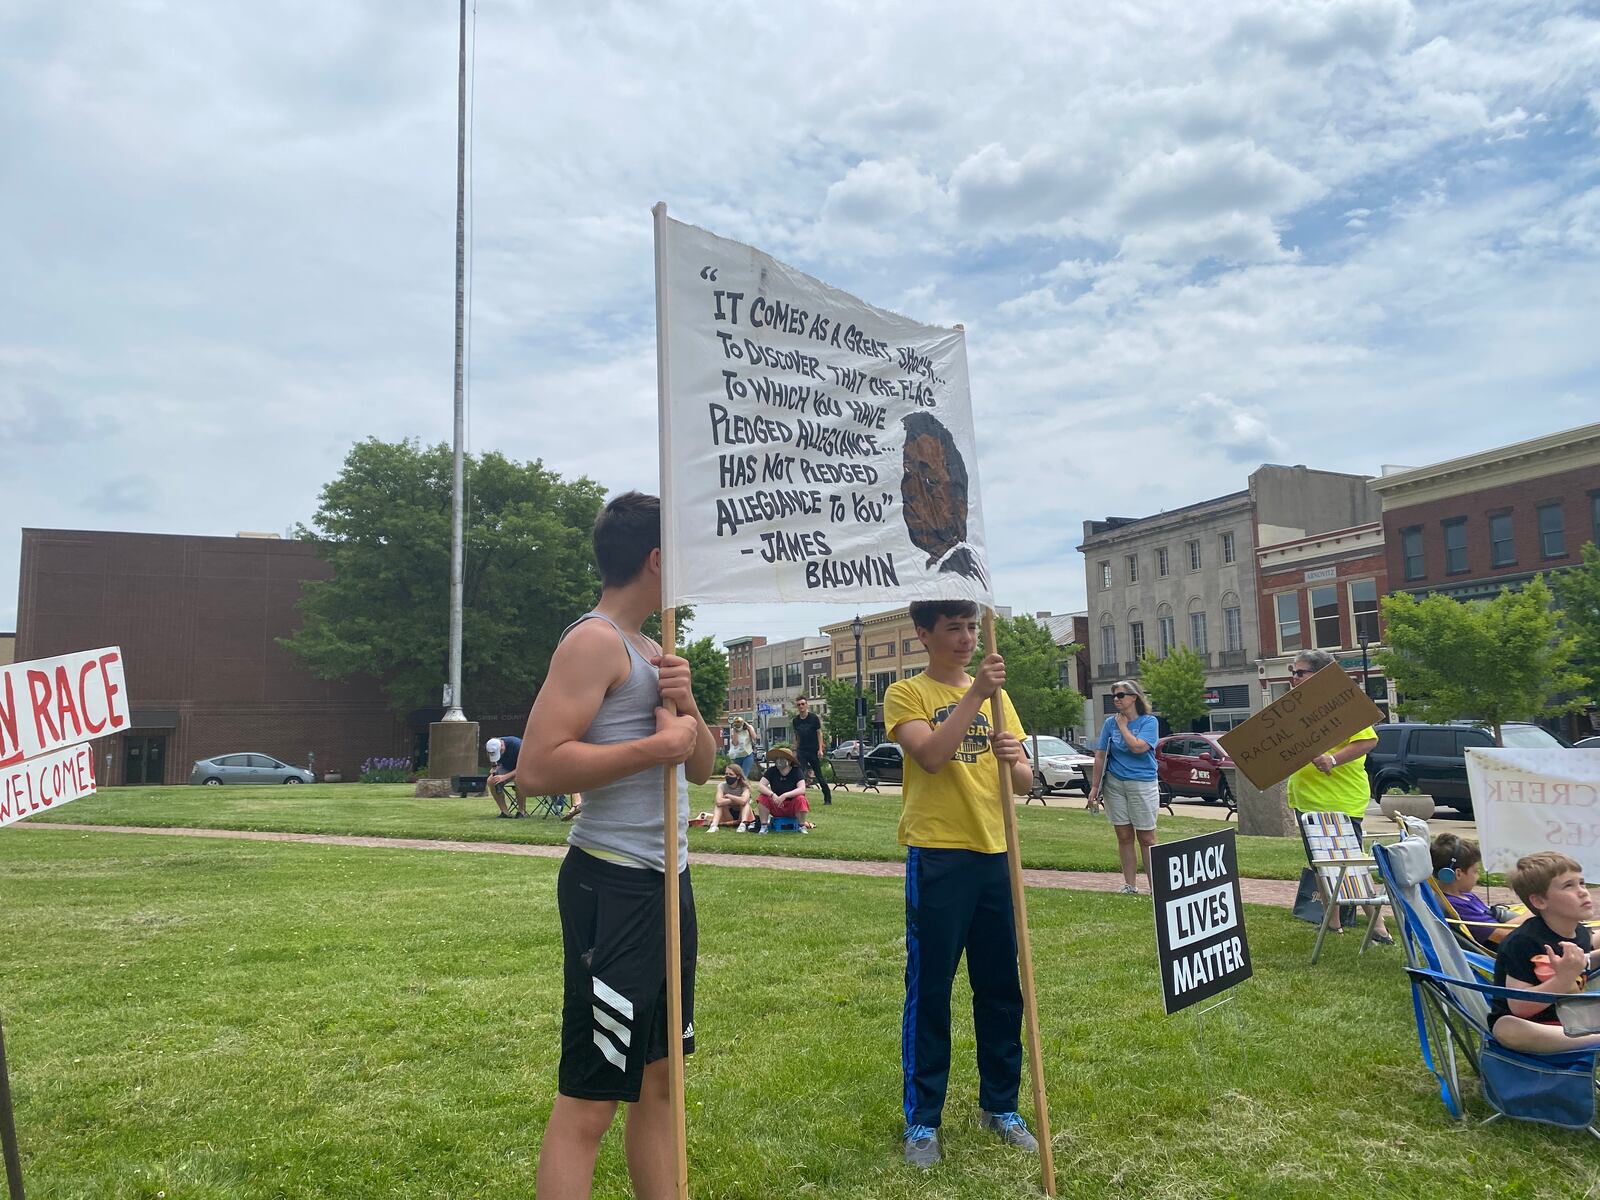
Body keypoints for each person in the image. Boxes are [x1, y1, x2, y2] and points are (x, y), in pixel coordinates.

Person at [517, 491, 716, 1200]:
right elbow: (537, 767)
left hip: (670, 883)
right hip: (613, 884)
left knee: (661, 1082)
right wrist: (652, 745)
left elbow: (699, 764)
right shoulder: (593, 642)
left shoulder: (653, 650)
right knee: (593, 1097)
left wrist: (687, 704)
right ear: (657, 560)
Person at [886, 598, 1038, 1169]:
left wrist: (1012, 758)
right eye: (954, 628)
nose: (968, 638)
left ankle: (1001, 1105)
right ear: (924, 633)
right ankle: (923, 1120)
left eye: (972, 626)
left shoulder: (998, 697)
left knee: (1001, 988)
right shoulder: (908, 695)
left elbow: (1022, 780)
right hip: (940, 856)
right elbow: (929, 755)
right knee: (931, 990)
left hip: (996, 853)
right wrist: (976, 696)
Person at [1282, 649, 1393, 944]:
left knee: (1351, 864)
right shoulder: (1293, 709)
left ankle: (1377, 927)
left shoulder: (1341, 705)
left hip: (1340, 799)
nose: (1293, 678)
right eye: (1292, 672)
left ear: (1320, 676)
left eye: (1299, 673)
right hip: (1306, 798)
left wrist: (1332, 760)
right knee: (1320, 864)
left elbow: (1369, 739)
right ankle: (1331, 923)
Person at [1488, 851, 1600, 1054]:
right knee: (1507, 1028)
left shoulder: (1579, 931)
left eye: (1582, 883)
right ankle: (1592, 1039)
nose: (1583, 891)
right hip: (1536, 1025)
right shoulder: (1523, 942)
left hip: (1573, 1016)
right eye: (1569, 886)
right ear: (1540, 901)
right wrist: (1564, 978)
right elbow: (1520, 1007)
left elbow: (1582, 960)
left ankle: (1588, 1037)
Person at [1086, 680, 1160, 895]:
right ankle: (1129, 885)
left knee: (1147, 837)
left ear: (1134, 697)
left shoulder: (1149, 722)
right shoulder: (1110, 723)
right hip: (1115, 784)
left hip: (1142, 782)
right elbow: (1100, 754)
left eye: (1120, 695)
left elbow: (1138, 747)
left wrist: (1123, 727)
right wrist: (1095, 787)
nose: (1116, 700)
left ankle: (1156, 886)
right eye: (1114, 696)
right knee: (1124, 835)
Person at [1431, 833, 1529, 949]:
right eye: (1475, 871)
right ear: (1458, 874)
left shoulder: (1465, 896)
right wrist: (1534, 912)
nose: (1478, 875)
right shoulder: (1456, 906)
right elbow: (1502, 935)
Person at [756, 746, 810, 832]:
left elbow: (802, 789)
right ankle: (764, 826)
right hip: (776, 804)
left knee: (801, 799)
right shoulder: (772, 771)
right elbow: (760, 786)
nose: (779, 761)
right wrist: (772, 795)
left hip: (792, 805)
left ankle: (801, 826)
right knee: (762, 797)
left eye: (782, 758)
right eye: (777, 758)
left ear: (789, 761)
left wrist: (785, 795)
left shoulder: (797, 771)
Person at [790, 695, 832, 805]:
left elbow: (819, 733)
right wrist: (794, 750)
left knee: (819, 775)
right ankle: (799, 798)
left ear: (806, 705)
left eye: (803, 704)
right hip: (802, 751)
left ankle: (827, 798)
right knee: (800, 774)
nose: (801, 706)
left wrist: (820, 749)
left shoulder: (813, 718)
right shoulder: (796, 721)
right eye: (799, 705)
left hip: (813, 750)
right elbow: (796, 735)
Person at [486, 736, 526, 818]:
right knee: (491, 781)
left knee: (518, 780)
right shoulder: (490, 746)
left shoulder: (517, 745)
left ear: (502, 746)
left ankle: (521, 811)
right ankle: (505, 812)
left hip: (524, 769)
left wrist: (504, 777)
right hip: (507, 767)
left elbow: (523, 767)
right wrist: (494, 768)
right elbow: (493, 760)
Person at [711, 763, 753, 832]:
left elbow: (744, 801)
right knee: (719, 805)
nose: (728, 776)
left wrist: (729, 796)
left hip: (741, 813)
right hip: (728, 813)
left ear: (738, 776)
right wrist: (735, 800)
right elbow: (718, 802)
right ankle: (714, 826)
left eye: (731, 774)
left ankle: (743, 825)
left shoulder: (745, 786)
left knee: (745, 804)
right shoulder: (722, 786)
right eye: (726, 774)